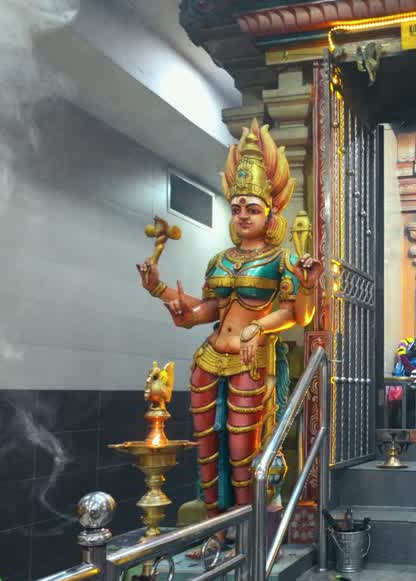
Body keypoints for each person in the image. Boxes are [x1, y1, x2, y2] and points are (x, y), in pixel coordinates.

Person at [137, 120, 320, 519]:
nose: (242, 216)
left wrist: (272, 314)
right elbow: (206, 312)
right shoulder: (219, 260)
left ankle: (247, 531)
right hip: (208, 361)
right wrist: (163, 293)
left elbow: (299, 313)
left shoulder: (281, 258)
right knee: (207, 453)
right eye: (237, 209)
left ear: (271, 213)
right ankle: (214, 530)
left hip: (249, 362)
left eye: (252, 209)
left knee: (242, 452)